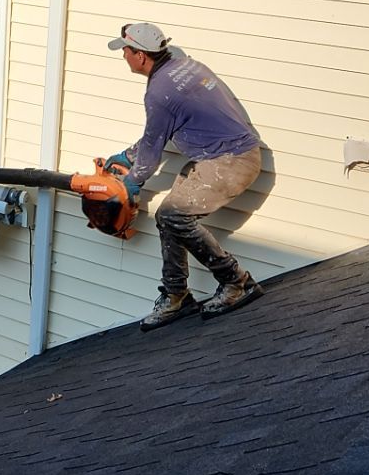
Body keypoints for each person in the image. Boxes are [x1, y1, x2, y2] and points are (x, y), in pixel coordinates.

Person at [107, 21, 265, 329]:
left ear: (141, 55)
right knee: (168, 216)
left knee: (174, 216)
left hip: (231, 160)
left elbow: (151, 155)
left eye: (125, 49)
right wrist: (126, 156)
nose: (123, 54)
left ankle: (236, 281)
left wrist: (129, 183)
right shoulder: (185, 67)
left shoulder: (159, 93)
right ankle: (176, 295)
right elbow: (157, 134)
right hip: (222, 155)